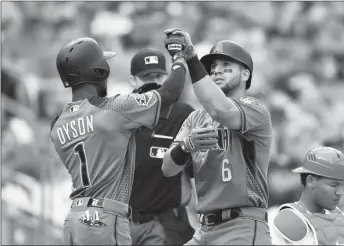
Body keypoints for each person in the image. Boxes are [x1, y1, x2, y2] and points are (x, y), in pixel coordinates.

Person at [50, 37, 187, 245]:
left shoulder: (57, 124)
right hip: (104, 219)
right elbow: (170, 93)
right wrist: (179, 57)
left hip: (74, 219)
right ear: (99, 71)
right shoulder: (114, 109)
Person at [161, 29, 273, 245]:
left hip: (241, 226)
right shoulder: (196, 118)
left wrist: (192, 58)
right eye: (212, 68)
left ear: (245, 75)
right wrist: (186, 146)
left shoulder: (254, 109)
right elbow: (167, 168)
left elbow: (221, 111)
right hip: (204, 231)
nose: (217, 72)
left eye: (226, 67)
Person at [127, 47, 197, 245]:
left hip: (165, 224)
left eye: (158, 75)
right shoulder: (122, 116)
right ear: (133, 80)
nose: (154, 81)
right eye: (146, 76)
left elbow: (200, 173)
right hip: (123, 224)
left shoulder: (183, 115)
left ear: (167, 77)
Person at [270, 146, 344, 245]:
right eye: (333, 185)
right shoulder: (282, 219)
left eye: (342, 185)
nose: (340, 192)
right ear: (310, 181)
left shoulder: (343, 217)